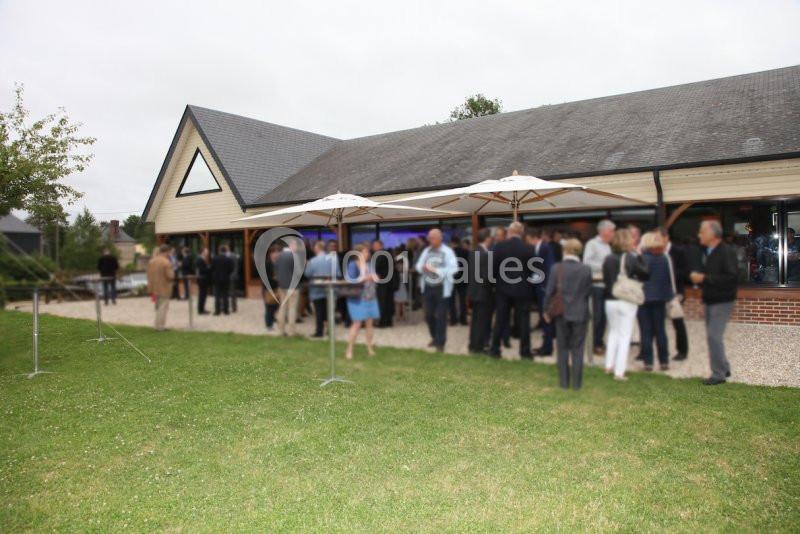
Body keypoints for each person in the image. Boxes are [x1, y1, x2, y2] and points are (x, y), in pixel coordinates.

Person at [690, 220, 738, 385]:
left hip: (722, 301)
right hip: (711, 300)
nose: (699, 235)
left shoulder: (726, 251)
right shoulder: (709, 251)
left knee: (713, 336)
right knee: (713, 336)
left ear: (712, 234)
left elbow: (731, 277)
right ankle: (724, 367)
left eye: (702, 231)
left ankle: (718, 374)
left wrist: (704, 278)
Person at [543, 238, 592, 389]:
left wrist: (545, 310)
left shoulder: (556, 268)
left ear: (565, 250)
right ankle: (577, 385)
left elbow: (549, 291)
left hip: (561, 312)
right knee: (578, 350)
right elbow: (587, 291)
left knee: (563, 348)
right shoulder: (586, 269)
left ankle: (564, 384)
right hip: (580, 312)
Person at [602, 228, 649, 380]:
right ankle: (619, 372)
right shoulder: (630, 258)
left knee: (613, 332)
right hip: (626, 300)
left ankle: (609, 365)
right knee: (625, 335)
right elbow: (645, 273)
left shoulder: (608, 258)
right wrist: (640, 255)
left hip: (610, 300)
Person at [489, 222, 536, 359]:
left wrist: (495, 283)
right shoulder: (529, 248)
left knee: (500, 320)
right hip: (523, 290)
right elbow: (534, 270)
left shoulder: (499, 247)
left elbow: (493, 269)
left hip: (502, 289)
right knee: (524, 322)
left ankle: (495, 350)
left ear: (509, 232)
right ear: (521, 233)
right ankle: (525, 352)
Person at [415, 228, 458, 352]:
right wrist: (422, 268)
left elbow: (454, 269)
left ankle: (441, 342)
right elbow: (418, 266)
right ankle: (434, 337)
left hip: (442, 288)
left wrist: (436, 270)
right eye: (429, 238)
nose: (430, 240)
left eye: (432, 238)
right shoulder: (426, 251)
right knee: (428, 315)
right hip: (428, 287)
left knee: (441, 316)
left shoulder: (448, 251)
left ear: (440, 238)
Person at [638, 231, 674, 372]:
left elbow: (639, 278)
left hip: (644, 298)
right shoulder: (664, 258)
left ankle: (648, 362)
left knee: (645, 331)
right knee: (660, 330)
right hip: (660, 298)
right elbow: (667, 279)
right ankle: (664, 361)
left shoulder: (642, 258)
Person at [583, 219, 615, 355]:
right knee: (597, 316)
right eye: (612, 231)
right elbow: (586, 262)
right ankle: (593, 343)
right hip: (596, 286)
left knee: (605, 316)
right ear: (603, 231)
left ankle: (599, 341)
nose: (613, 233)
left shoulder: (608, 246)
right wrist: (605, 266)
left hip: (607, 285)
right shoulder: (592, 244)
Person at [345, 243, 380, 359]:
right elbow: (350, 280)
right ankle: (349, 350)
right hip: (358, 299)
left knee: (370, 324)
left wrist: (375, 278)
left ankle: (369, 348)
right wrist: (365, 278)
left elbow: (375, 278)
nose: (368, 253)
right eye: (365, 251)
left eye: (367, 251)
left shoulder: (370, 265)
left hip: (371, 297)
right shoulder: (352, 265)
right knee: (357, 324)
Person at [660, 227, 689, 360]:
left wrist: (669, 273)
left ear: (666, 238)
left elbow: (685, 272)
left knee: (678, 322)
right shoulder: (656, 252)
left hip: (675, 292)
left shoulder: (679, 251)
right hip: (659, 292)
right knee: (658, 323)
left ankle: (682, 351)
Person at [526, 227, 555, 356]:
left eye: (528, 240)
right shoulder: (538, 248)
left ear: (533, 238)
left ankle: (547, 348)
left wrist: (544, 287)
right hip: (540, 288)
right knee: (544, 319)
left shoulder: (545, 248)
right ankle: (545, 346)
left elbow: (548, 270)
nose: (527, 243)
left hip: (544, 289)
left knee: (546, 318)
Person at [304, 240, 340, 337]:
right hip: (331, 289)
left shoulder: (312, 261)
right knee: (330, 311)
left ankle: (319, 332)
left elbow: (307, 274)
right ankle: (330, 331)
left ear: (316, 248)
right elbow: (337, 274)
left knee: (319, 312)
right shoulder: (333, 259)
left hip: (317, 290)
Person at [467, 228, 494, 354]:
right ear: (487, 238)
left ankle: (473, 344)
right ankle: (479, 347)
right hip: (483, 292)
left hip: (474, 291)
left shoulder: (473, 251)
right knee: (482, 321)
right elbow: (487, 277)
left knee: (475, 320)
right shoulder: (485, 254)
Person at [146, 244, 175, 331]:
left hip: (154, 287)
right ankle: (160, 326)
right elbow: (170, 276)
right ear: (166, 252)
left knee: (158, 307)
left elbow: (148, 275)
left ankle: (156, 325)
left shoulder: (152, 261)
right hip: (164, 287)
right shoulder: (166, 262)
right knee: (163, 307)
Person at [275, 239, 301, 336]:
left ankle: (280, 330)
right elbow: (298, 272)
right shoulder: (295, 256)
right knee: (292, 309)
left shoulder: (279, 256)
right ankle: (291, 331)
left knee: (282, 307)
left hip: (281, 286)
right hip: (293, 287)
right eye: (296, 246)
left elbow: (276, 270)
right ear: (292, 245)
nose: (297, 248)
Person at [372, 239, 396, 328]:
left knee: (382, 303)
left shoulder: (379, 254)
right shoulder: (388, 253)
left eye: (374, 245)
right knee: (389, 302)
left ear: (379, 245)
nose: (373, 247)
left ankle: (382, 322)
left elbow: (375, 268)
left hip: (382, 282)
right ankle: (389, 321)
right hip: (389, 282)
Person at [449, 235, 469, 326]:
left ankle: (453, 320)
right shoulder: (465, 252)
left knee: (452, 301)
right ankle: (463, 320)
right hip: (463, 279)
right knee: (462, 301)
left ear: (452, 243)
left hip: (452, 279)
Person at [210, 245, 234, 315]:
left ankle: (217, 311)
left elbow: (212, 268)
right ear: (225, 251)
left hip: (217, 280)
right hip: (226, 279)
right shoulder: (229, 259)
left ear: (219, 251)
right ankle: (226, 311)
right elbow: (231, 269)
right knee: (225, 295)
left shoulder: (215, 259)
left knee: (217, 295)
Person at [263, 246, 280, 330]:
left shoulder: (278, 263)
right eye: (275, 252)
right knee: (269, 306)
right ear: (271, 254)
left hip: (277, 287)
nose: (277, 254)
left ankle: (272, 318)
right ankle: (268, 325)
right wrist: (275, 278)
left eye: (278, 252)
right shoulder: (267, 264)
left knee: (276, 305)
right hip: (268, 288)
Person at [195, 247, 211, 314]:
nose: (207, 253)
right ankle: (200, 310)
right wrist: (209, 268)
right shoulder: (199, 259)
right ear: (202, 252)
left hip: (204, 279)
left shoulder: (203, 259)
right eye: (206, 251)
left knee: (204, 295)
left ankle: (202, 308)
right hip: (202, 279)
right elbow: (202, 270)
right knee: (202, 295)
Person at [228, 248, 241, 313]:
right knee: (233, 293)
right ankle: (234, 307)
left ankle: (224, 307)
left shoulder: (229, 257)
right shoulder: (235, 256)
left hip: (229, 277)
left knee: (226, 292)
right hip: (233, 276)